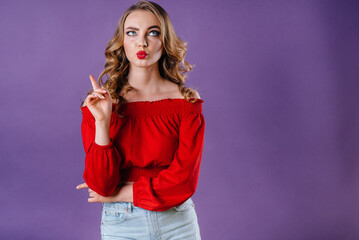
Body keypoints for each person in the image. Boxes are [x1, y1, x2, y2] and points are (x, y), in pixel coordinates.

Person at [76, 1, 205, 239]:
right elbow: (101, 185)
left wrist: (119, 193)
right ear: (122, 41)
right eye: (132, 32)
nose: (142, 42)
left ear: (164, 41)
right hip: (122, 223)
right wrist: (103, 123)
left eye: (152, 33)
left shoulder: (186, 102)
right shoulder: (100, 104)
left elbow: (183, 181)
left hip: (178, 222)